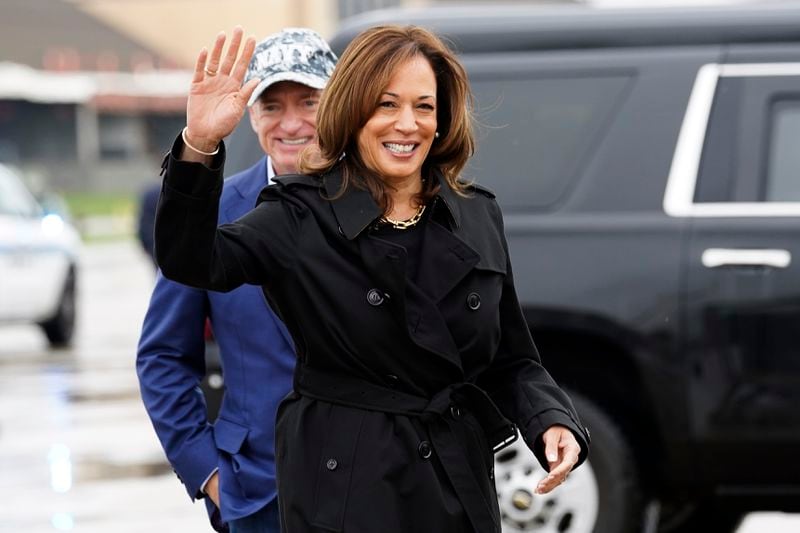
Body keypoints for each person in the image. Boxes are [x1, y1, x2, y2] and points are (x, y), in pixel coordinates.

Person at [154, 24, 591, 533]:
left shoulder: (475, 214)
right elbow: (191, 261)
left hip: (456, 481)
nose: (408, 124)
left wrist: (551, 419)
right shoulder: (299, 215)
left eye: (424, 107)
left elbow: (512, 358)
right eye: (387, 105)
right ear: (353, 111)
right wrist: (199, 146)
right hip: (345, 489)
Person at [136, 28, 337, 533]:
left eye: (308, 101)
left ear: (337, 104)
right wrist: (208, 474)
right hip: (257, 494)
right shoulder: (216, 211)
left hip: (369, 487)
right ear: (251, 114)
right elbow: (162, 356)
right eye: (271, 105)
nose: (291, 123)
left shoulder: (380, 205)